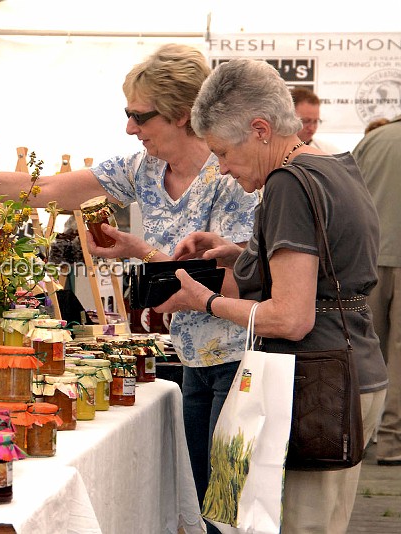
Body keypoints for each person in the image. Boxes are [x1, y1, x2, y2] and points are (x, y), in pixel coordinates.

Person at [0, 43, 259, 532]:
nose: (129, 128)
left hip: (238, 361)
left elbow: (231, 282)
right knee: (200, 505)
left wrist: (143, 253)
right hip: (193, 359)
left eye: (138, 115)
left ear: (180, 115)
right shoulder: (144, 169)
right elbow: (44, 190)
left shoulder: (233, 177)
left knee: (227, 510)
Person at [154, 58, 387, 533]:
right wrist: (236, 254)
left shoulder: (286, 185)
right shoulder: (334, 165)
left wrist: (205, 301)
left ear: (260, 129)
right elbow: (326, 266)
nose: (220, 168)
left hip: (315, 384)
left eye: (221, 151)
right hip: (353, 371)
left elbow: (290, 317)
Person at [353, 115, 401, 466]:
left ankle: (352, 434)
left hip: (367, 260)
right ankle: (391, 443)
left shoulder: (374, 140)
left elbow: (346, 195)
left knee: (360, 348)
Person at [290, 86, 339, 153]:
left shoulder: (328, 152)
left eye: (315, 121)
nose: (311, 128)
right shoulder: (273, 152)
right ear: (288, 118)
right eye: (306, 121)